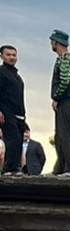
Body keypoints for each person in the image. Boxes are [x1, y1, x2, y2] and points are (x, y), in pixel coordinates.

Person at [48, 30, 70, 177]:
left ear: (56, 42)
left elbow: (65, 81)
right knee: (60, 136)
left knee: (66, 135)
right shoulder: (67, 59)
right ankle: (60, 168)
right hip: (68, 101)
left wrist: (57, 97)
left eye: (52, 41)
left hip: (67, 101)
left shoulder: (64, 59)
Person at [0, 44, 25, 176]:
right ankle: (9, 168)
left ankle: (15, 167)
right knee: (12, 139)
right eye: (8, 55)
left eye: (14, 55)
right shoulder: (1, 72)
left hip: (19, 114)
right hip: (6, 112)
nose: (11, 57)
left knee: (19, 140)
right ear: (2, 56)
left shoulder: (17, 76)